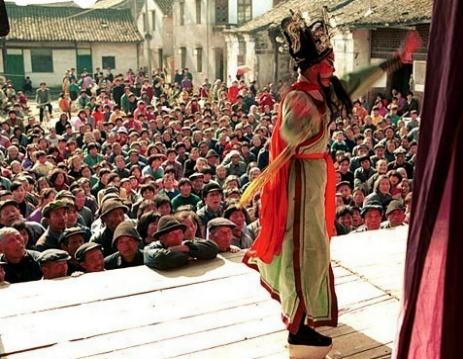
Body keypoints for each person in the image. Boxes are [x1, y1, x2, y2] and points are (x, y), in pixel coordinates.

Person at [242, 11, 352, 358]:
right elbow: (289, 134)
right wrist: (306, 120)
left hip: (315, 178)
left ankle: (305, 318)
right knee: (302, 249)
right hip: (301, 182)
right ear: (311, 65)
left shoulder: (322, 91)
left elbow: (360, 81)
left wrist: (396, 61)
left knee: (315, 247)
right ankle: (299, 324)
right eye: (327, 60)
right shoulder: (300, 98)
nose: (332, 65)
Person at [144, 216, 218, 270]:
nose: (177, 236)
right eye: (172, 234)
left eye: (179, 232)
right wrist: (191, 253)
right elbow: (162, 258)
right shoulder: (151, 248)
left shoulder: (185, 243)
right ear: (162, 238)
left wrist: (186, 248)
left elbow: (213, 247)